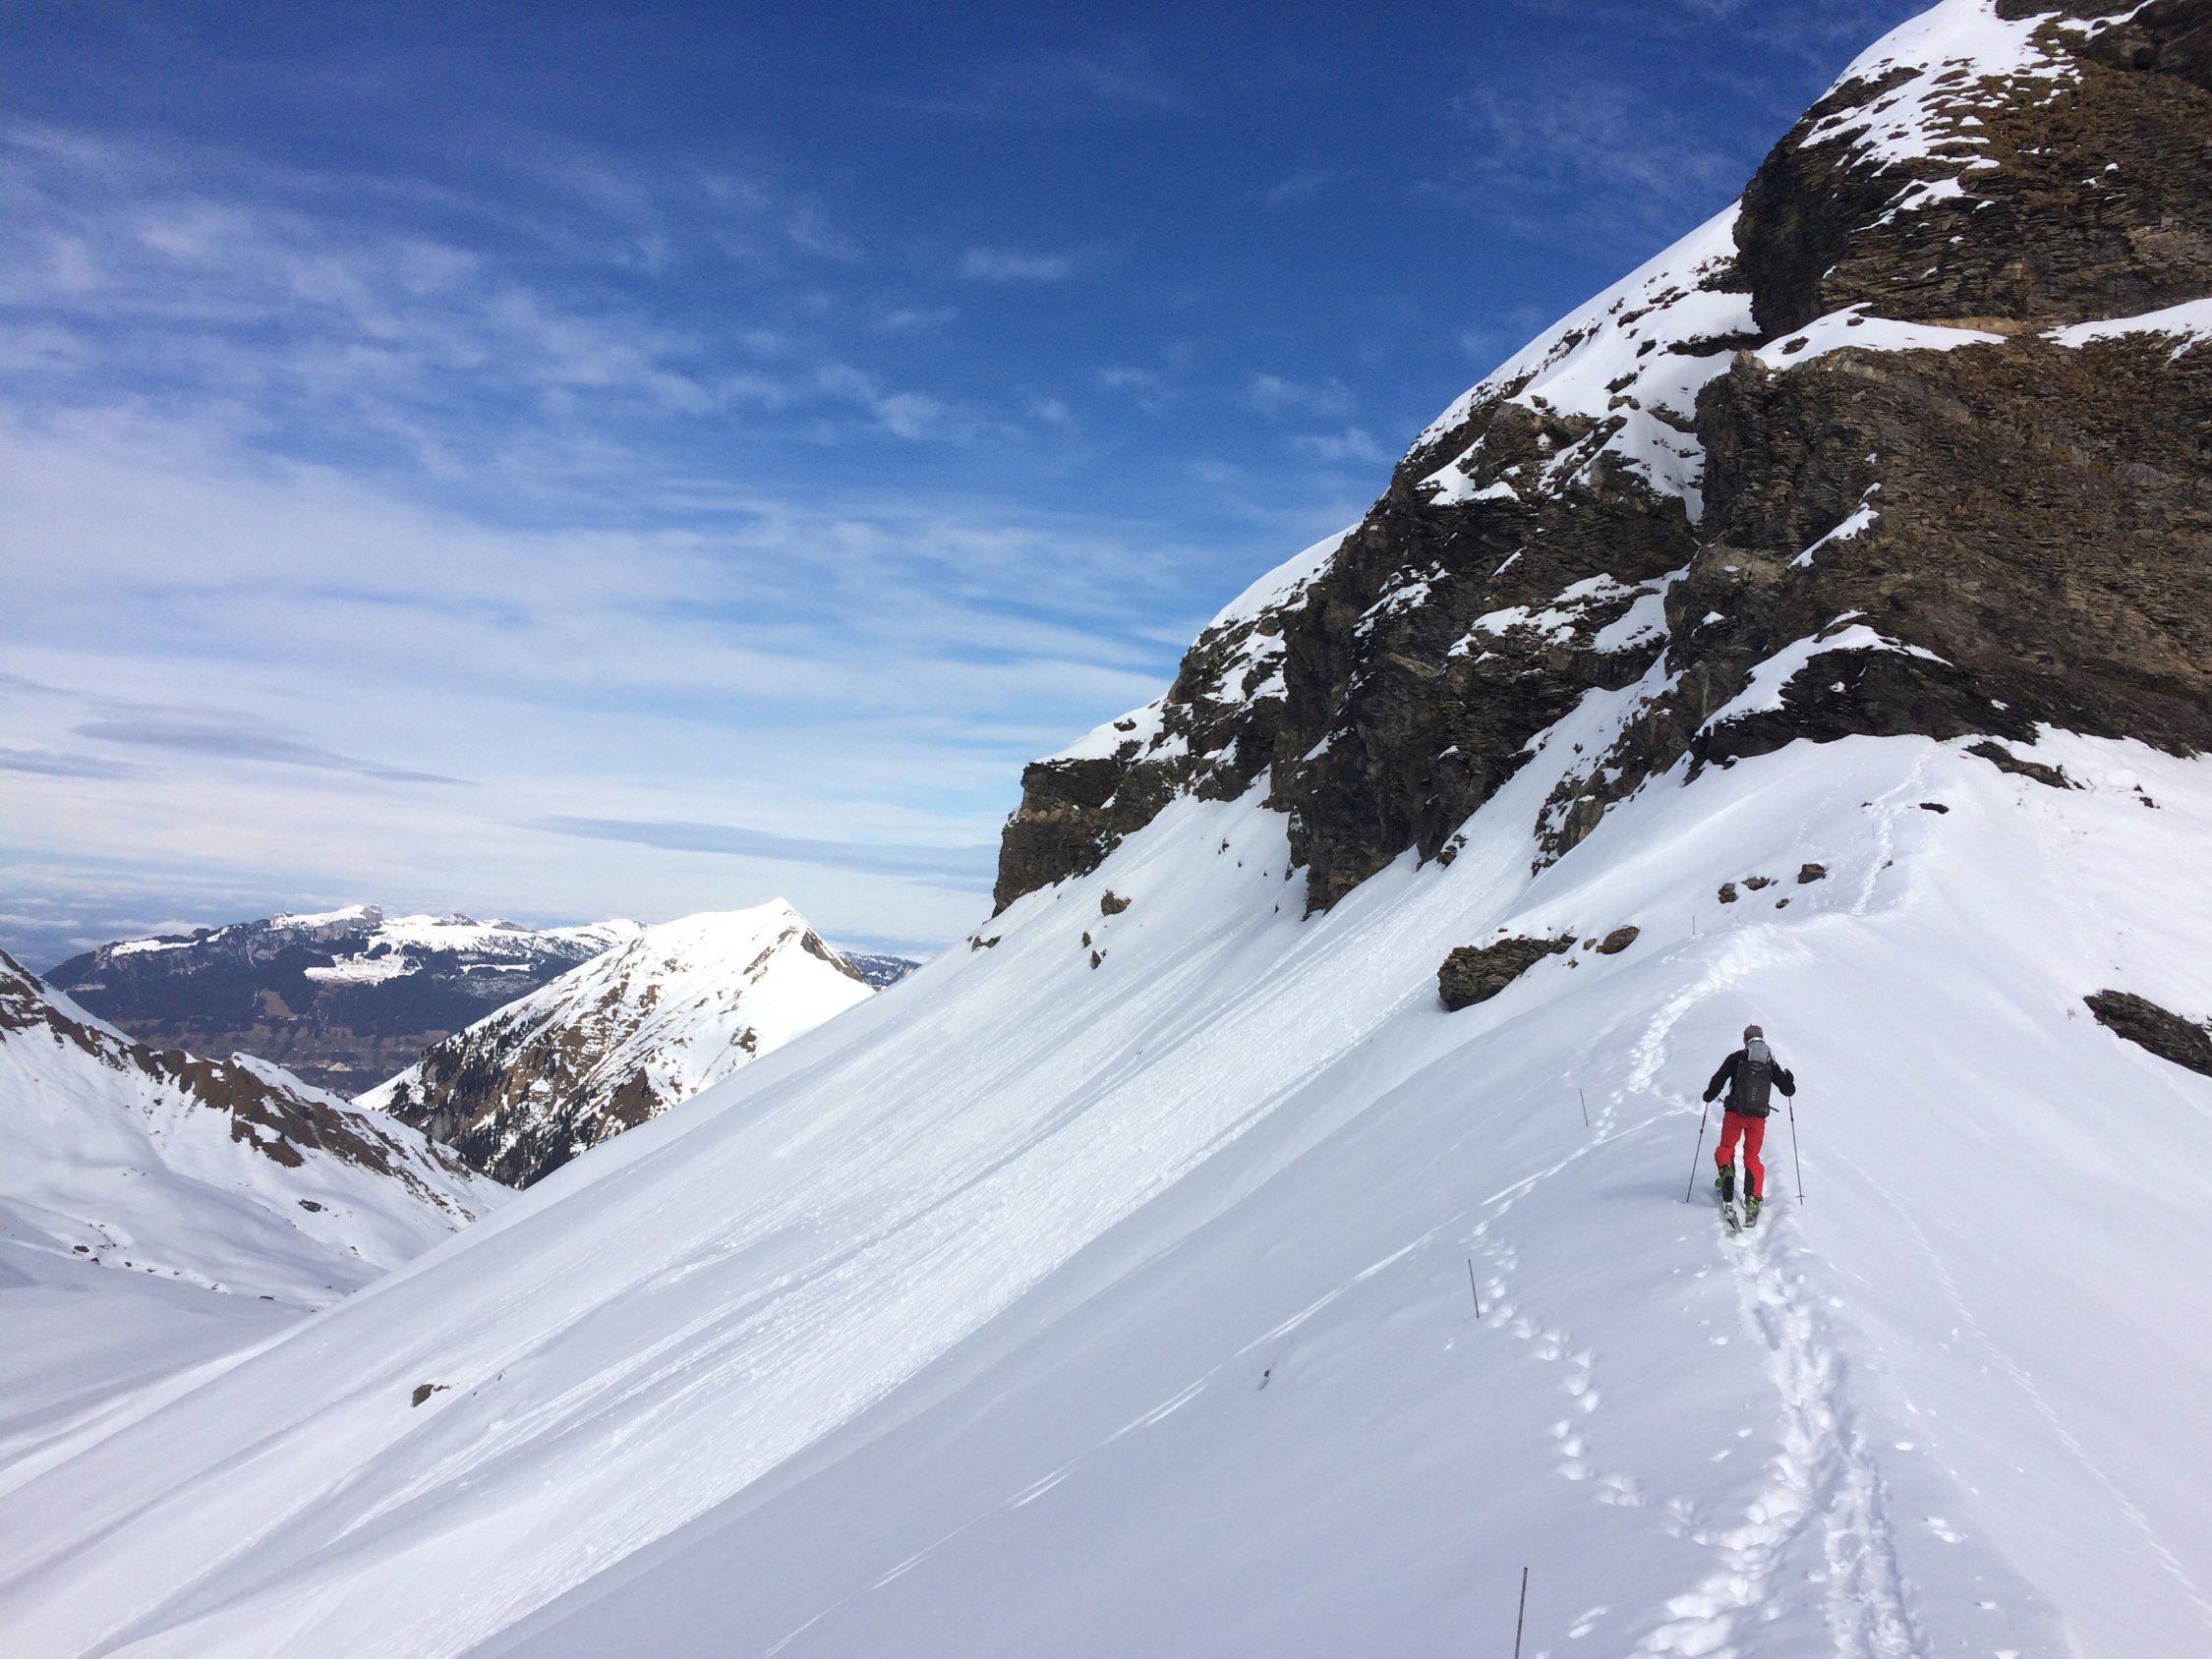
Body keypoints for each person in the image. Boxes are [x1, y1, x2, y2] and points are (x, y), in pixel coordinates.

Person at [1705, 1023, 1795, 1221]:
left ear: (1744, 1040)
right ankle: (1753, 1198)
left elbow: (1718, 1080)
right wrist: (1789, 1078)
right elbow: (1788, 1090)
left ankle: (1727, 1174)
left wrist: (1708, 1095)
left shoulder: (1736, 1058)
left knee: (1726, 1147)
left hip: (1734, 1113)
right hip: (1757, 1118)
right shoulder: (1770, 1063)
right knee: (1752, 1156)